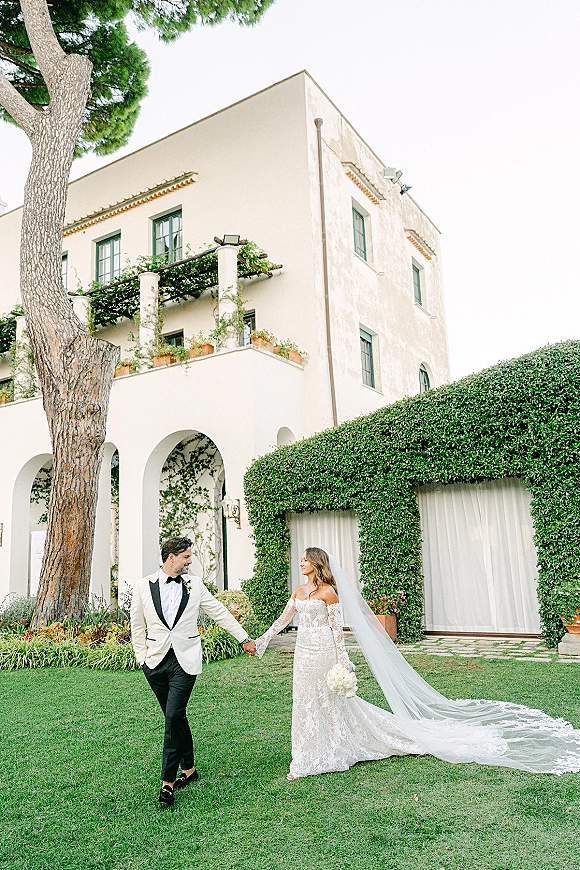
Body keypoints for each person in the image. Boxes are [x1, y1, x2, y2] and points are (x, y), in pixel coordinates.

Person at [256, 547, 580, 779]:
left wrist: (344, 663)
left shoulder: (329, 593)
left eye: (304, 560)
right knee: (305, 702)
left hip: (325, 652)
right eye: (301, 560)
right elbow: (284, 620)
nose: (301, 563)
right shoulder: (299, 590)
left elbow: (337, 632)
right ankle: (308, 754)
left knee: (329, 703)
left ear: (316, 564)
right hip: (303, 655)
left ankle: (333, 750)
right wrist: (262, 641)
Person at [131, 536, 256, 806]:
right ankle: (189, 770)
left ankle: (167, 783)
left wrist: (244, 638)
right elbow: (137, 626)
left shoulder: (195, 585)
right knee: (175, 717)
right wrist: (142, 657)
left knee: (173, 715)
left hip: (185, 662)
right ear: (171, 557)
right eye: (186, 557)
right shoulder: (143, 586)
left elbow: (220, 613)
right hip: (154, 662)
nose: (190, 561)